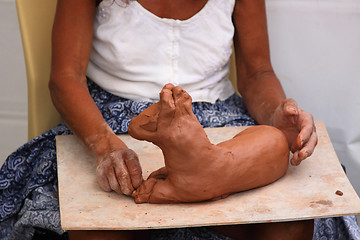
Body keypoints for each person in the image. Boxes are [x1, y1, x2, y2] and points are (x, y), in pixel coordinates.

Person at [0, 0, 359, 239]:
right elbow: (65, 78)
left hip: (219, 121)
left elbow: (257, 71)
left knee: (292, 221)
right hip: (109, 123)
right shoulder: (107, 136)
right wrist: (105, 145)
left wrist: (278, 110)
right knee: (95, 225)